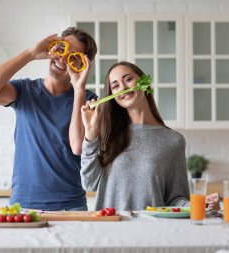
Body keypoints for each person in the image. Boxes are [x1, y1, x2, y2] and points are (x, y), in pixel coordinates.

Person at [0, 27, 97, 211]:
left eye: (73, 57)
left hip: (71, 206)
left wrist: (79, 88)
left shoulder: (88, 100)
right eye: (62, 49)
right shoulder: (24, 91)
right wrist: (31, 53)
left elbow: (79, 146)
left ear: (81, 65)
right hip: (24, 204)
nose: (63, 59)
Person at [80, 61, 220, 211]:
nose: (123, 87)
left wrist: (197, 204)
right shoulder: (107, 134)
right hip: (110, 227)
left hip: (153, 228)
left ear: (144, 83)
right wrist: (90, 134)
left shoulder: (173, 141)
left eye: (128, 79)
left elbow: (175, 198)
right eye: (115, 86)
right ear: (113, 96)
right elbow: (89, 184)